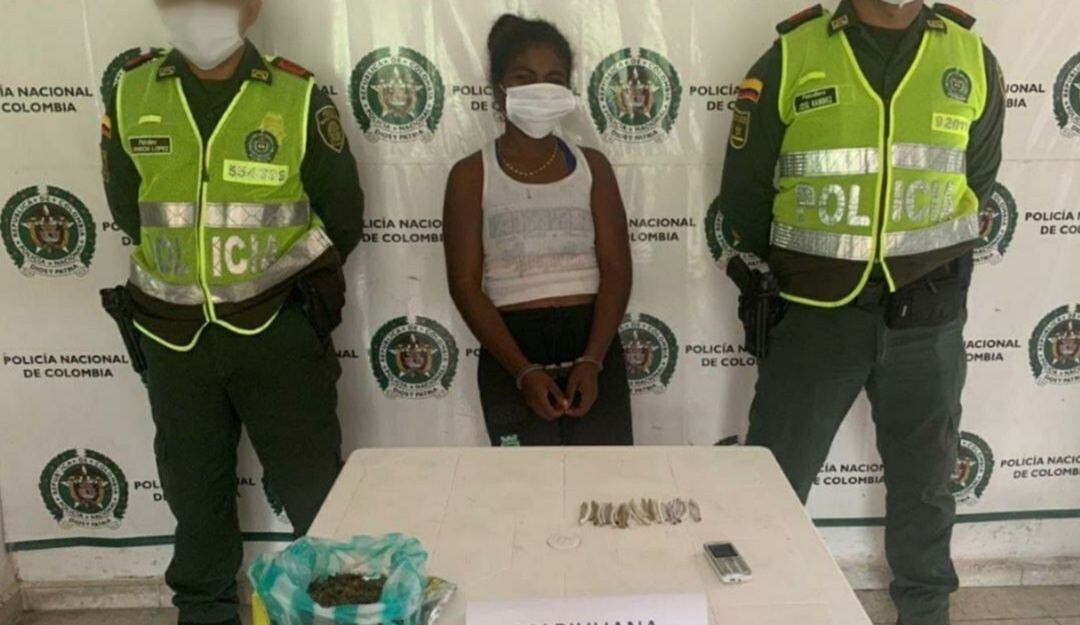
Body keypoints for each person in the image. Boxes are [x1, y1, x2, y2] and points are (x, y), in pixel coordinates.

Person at [718, 1, 1004, 624]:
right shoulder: (792, 54)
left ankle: (925, 615)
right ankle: (756, 610)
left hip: (927, 313)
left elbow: (977, 179)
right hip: (816, 314)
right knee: (773, 481)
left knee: (926, 485)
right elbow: (742, 197)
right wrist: (804, 268)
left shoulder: (972, 58)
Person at [99, 0, 364, 623]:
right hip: (173, 340)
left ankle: (336, 612)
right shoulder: (132, 91)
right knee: (195, 497)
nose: (200, 9)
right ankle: (205, 613)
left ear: (251, 7)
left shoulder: (297, 96)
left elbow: (342, 217)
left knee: (315, 492)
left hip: (277, 335)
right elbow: (128, 207)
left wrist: (276, 292)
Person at [443, 15, 634, 447]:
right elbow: (465, 286)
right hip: (510, 348)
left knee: (607, 479)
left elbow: (617, 269)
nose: (540, 89)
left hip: (593, 341)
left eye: (554, 79)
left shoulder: (593, 167)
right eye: (524, 78)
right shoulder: (470, 175)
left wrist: (593, 361)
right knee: (524, 485)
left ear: (567, 91)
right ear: (499, 89)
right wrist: (523, 371)